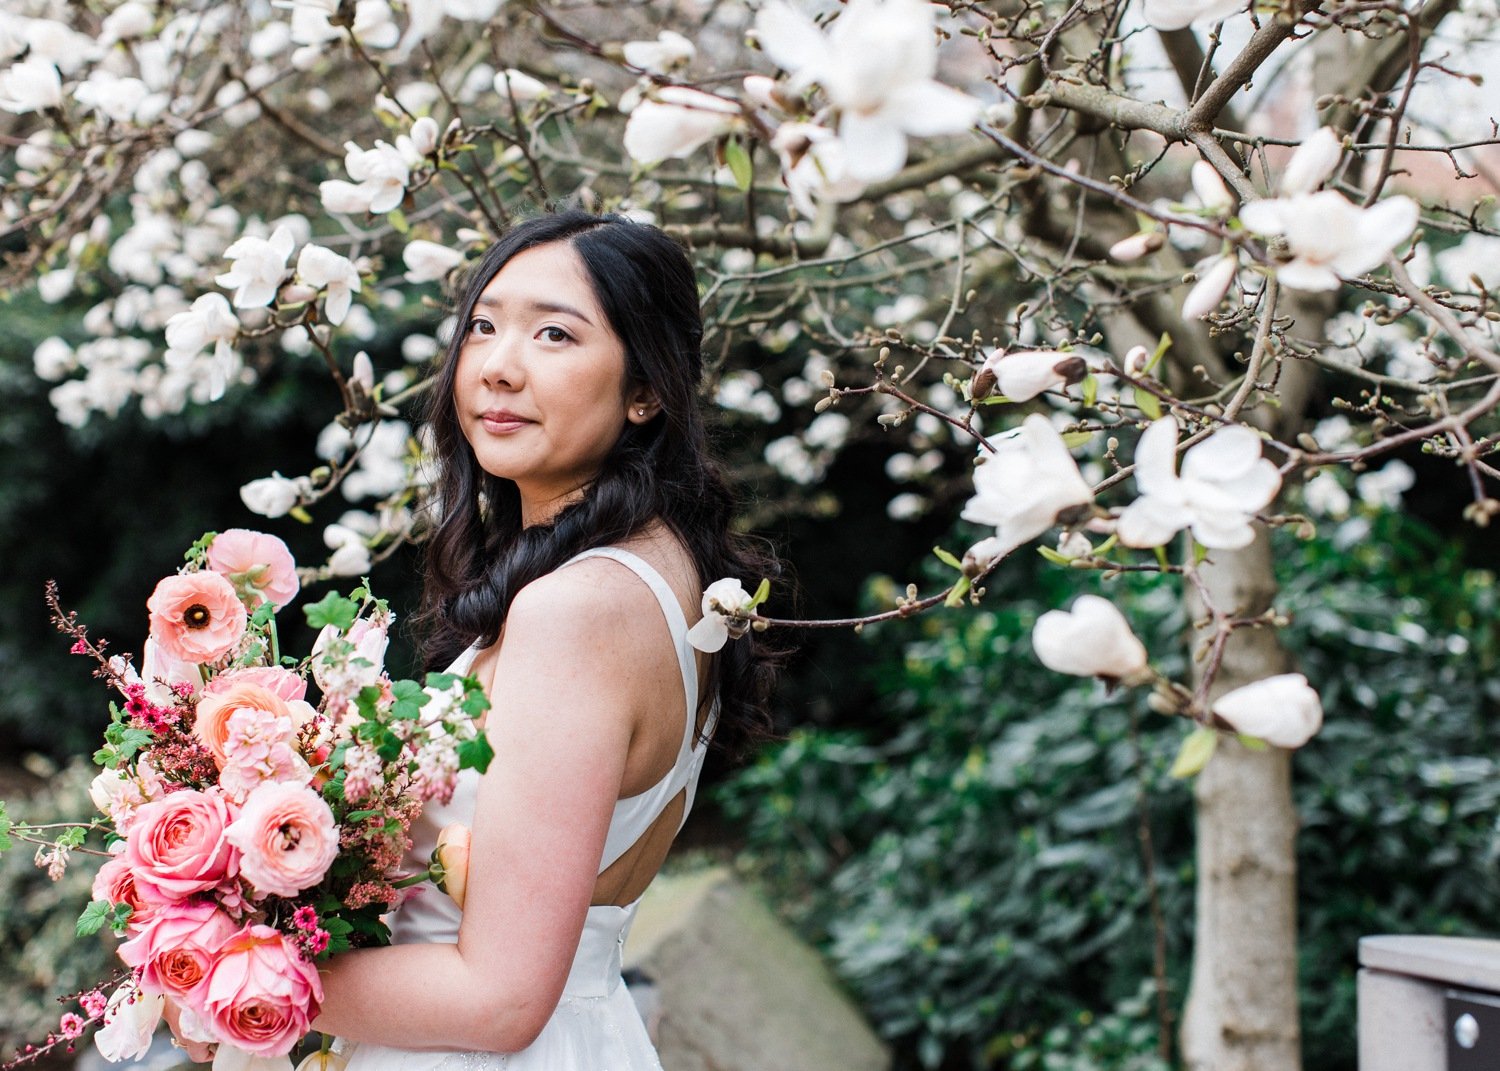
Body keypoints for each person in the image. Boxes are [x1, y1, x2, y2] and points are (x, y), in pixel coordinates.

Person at [168, 211, 781, 1068]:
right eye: (483, 326)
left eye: (555, 334)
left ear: (647, 388)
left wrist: (220, 973)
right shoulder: (665, 576)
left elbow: (501, 998)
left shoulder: (577, 610)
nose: (497, 366)